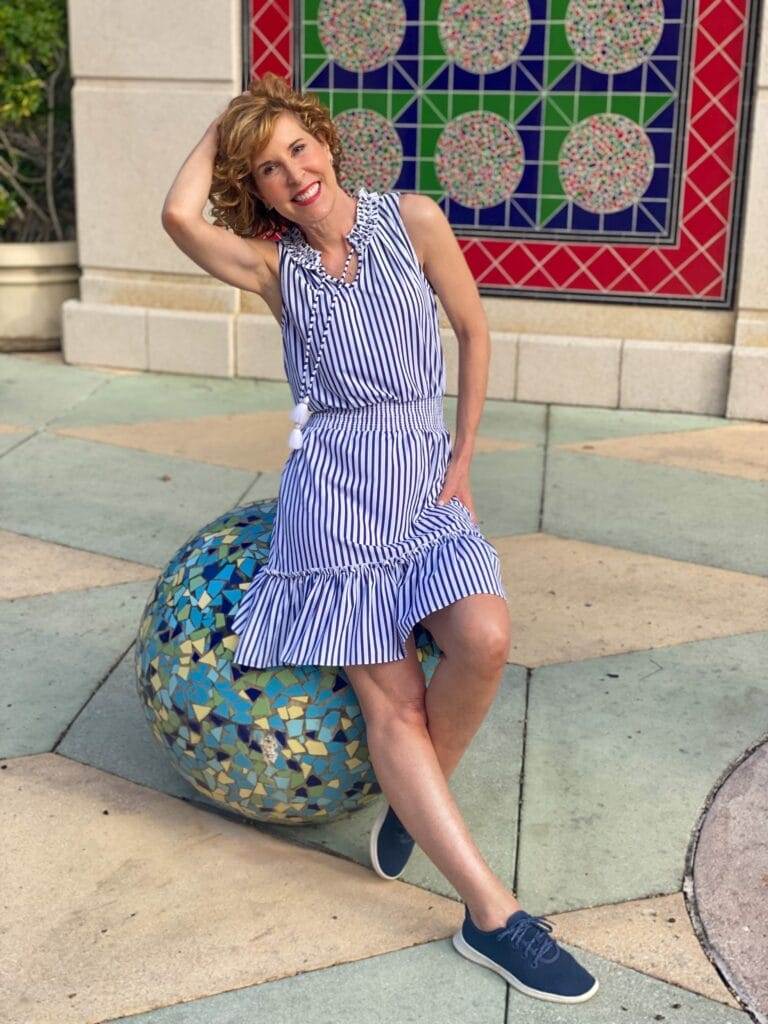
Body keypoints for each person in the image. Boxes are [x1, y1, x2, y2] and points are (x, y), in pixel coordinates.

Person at [160, 73, 598, 1004]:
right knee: (392, 705)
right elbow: (177, 214)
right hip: (335, 507)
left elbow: (473, 332)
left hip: (426, 481)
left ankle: (416, 797)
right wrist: (223, 122)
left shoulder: (414, 219)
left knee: (482, 640)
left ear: (325, 141)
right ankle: (493, 917)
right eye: (268, 168)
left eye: (298, 149)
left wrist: (466, 461)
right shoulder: (274, 267)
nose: (292, 175)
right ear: (259, 188)